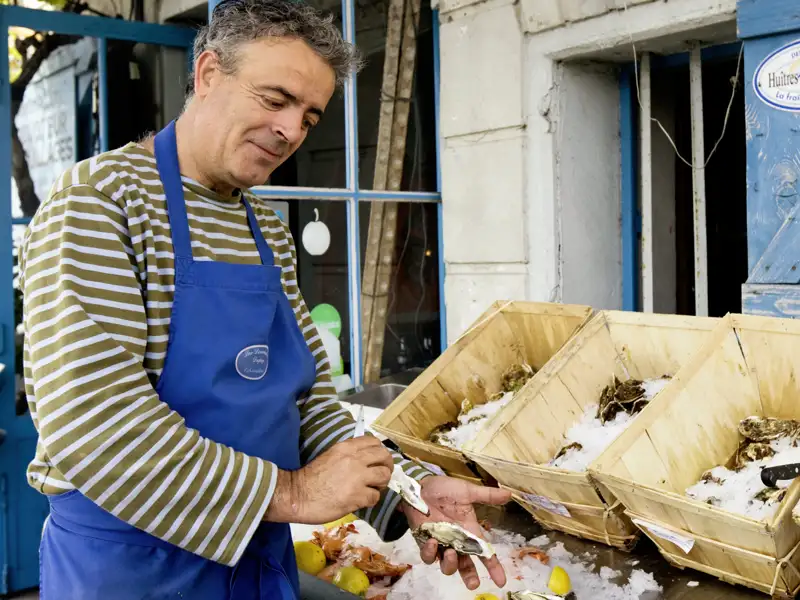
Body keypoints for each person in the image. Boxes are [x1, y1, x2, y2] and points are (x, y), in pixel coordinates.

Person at [18, 0, 512, 598]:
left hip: (257, 562)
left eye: (309, 116)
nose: (291, 131)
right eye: (276, 99)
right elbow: (97, 426)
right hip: (133, 568)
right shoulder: (101, 203)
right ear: (208, 74)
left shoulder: (266, 230)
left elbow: (305, 405)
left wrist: (410, 489)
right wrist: (294, 493)